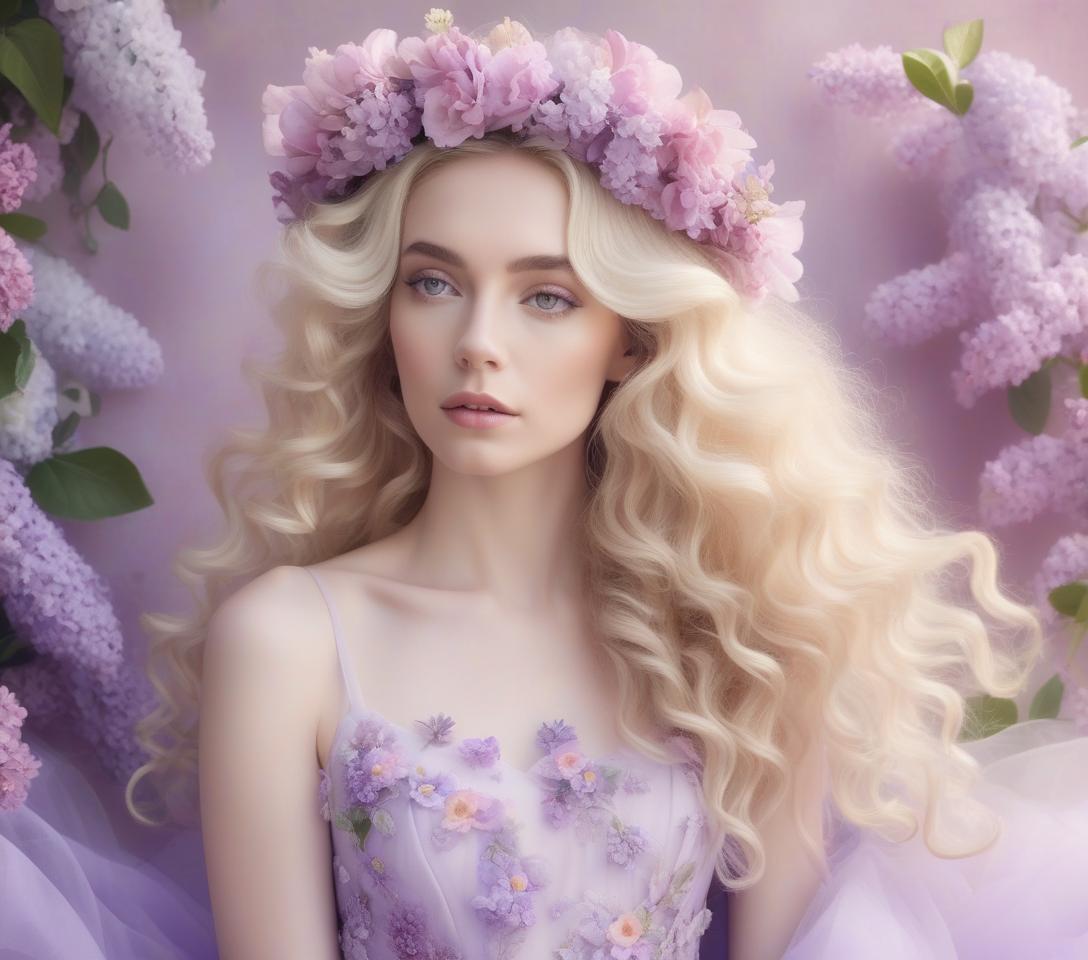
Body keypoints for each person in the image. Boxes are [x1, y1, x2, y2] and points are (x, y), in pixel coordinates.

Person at [2, 10, 1087, 960]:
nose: (476, 343)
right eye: (432, 283)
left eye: (546, 297)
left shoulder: (743, 642)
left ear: (629, 339)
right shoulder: (286, 641)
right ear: (383, 311)